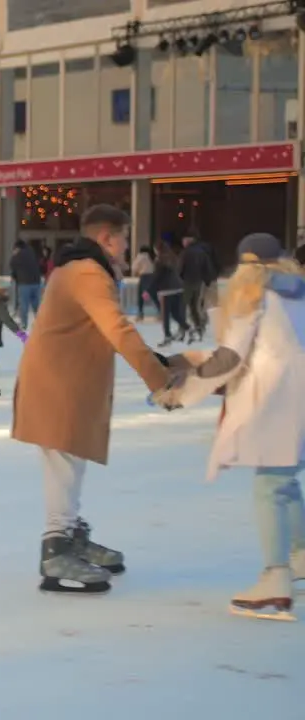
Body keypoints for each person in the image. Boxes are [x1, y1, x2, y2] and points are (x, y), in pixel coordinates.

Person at [11, 205, 174, 594]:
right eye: (124, 238)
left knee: (71, 461)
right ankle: (56, 549)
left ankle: (71, 535)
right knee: (64, 464)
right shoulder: (87, 272)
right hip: (58, 385)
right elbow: (117, 329)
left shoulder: (79, 268)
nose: (127, 246)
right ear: (107, 238)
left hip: (67, 383)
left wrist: (159, 364)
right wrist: (159, 380)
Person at [152, 233, 305, 621]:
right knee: (285, 481)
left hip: (277, 403)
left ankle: (275, 581)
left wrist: (182, 390)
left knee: (271, 485)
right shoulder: (297, 294)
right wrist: (187, 361)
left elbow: (230, 358)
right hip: (298, 402)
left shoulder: (254, 295)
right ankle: (302, 556)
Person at [11, 240, 44, 328]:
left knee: (24, 304)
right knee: (36, 304)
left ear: (17, 248)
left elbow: (13, 266)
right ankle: (40, 323)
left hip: (24, 282)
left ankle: (24, 324)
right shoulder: (33, 253)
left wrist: (15, 278)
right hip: (36, 282)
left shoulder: (17, 255)